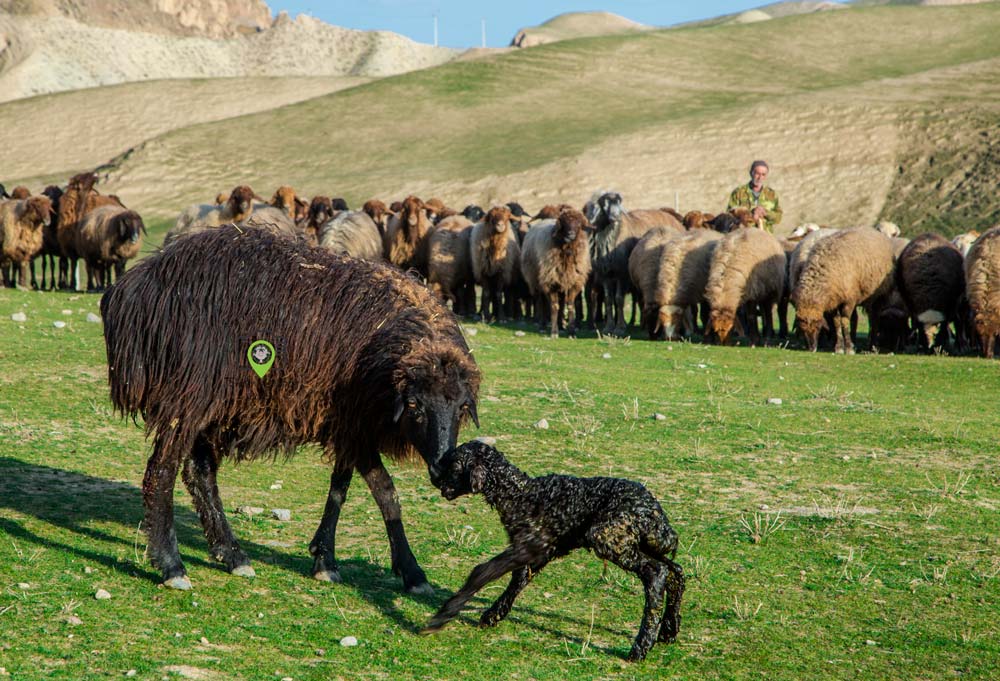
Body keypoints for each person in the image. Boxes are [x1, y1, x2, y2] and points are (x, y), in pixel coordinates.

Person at [727, 160, 783, 232]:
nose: (760, 178)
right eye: (757, 173)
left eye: (763, 174)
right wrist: (750, 214)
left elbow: (778, 218)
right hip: (743, 237)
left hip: (765, 237)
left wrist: (765, 213)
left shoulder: (772, 194)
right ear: (751, 173)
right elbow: (729, 216)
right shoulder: (738, 192)